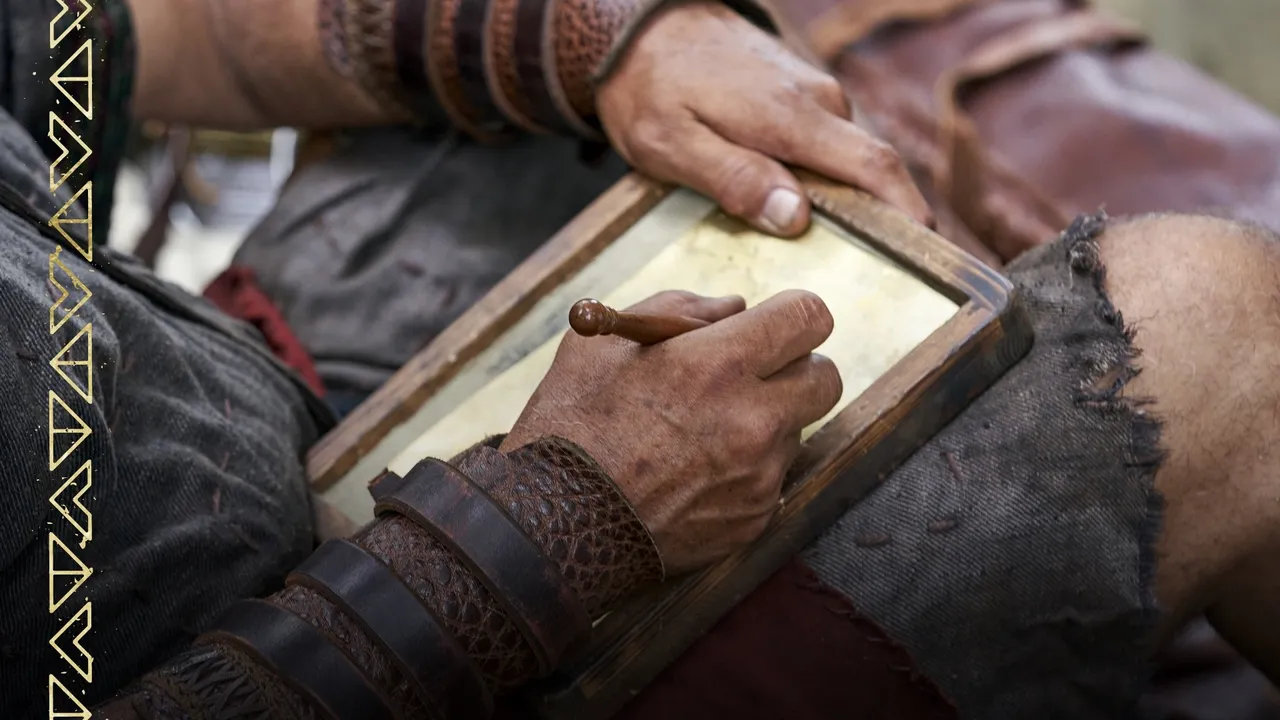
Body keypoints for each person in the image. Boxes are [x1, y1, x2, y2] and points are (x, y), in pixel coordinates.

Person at [4, 4, 1279, 720]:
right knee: (1216, 328)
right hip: (384, 667)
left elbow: (150, 35)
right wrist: (555, 525)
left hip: (270, 416)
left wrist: (609, 45)